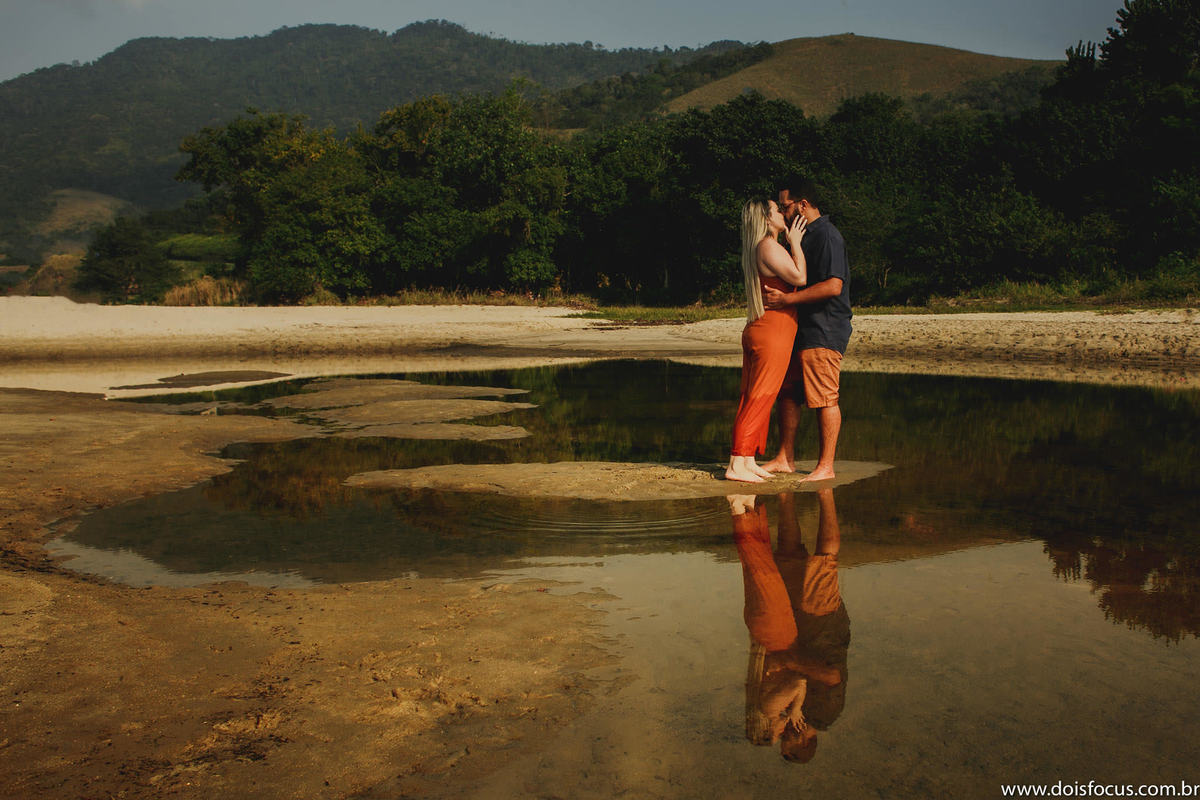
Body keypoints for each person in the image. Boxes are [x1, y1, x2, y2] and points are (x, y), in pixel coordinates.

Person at [730, 489, 849, 763]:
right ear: (804, 743)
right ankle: (826, 494)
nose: (784, 736)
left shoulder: (789, 714)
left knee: (787, 556)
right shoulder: (823, 716)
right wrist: (790, 663)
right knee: (824, 561)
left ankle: (785, 495)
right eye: (788, 742)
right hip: (822, 630)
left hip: (795, 630)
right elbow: (832, 677)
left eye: (780, 739)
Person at [761, 178, 852, 482]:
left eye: (785, 206)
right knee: (788, 394)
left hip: (824, 328)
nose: (783, 212)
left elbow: (833, 285)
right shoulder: (801, 236)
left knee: (825, 397)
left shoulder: (827, 234)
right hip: (801, 329)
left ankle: (825, 466)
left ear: (802, 205)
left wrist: (788, 299)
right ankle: (785, 458)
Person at [726, 198, 808, 483]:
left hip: (765, 330)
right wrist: (795, 241)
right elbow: (801, 276)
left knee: (754, 397)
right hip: (772, 332)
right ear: (766, 219)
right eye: (775, 210)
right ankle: (737, 462)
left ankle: (746, 459)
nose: (781, 213)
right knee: (760, 399)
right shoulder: (768, 246)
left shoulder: (761, 248)